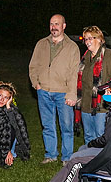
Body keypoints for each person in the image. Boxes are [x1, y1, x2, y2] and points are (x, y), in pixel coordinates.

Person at [29, 14, 80, 163]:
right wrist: (35, 83)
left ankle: (67, 157)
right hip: (44, 91)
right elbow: (33, 66)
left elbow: (74, 73)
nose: (54, 27)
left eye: (57, 24)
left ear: (64, 26)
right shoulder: (41, 44)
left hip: (63, 93)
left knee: (67, 127)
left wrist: (71, 94)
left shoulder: (72, 47)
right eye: (52, 24)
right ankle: (50, 155)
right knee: (47, 125)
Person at [76, 25, 111, 144]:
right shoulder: (85, 57)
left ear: (100, 39)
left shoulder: (109, 55)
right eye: (86, 39)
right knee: (88, 137)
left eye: (91, 38)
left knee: (101, 137)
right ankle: (89, 160)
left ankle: (102, 162)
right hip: (86, 104)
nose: (87, 41)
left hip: (101, 105)